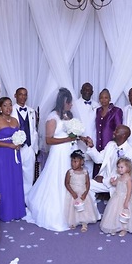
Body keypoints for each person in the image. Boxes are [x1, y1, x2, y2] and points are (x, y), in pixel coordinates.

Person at [25, 88, 79, 232]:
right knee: (57, 179)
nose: (71, 105)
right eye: (69, 103)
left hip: (69, 151)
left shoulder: (67, 115)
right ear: (63, 102)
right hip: (58, 153)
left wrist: (78, 137)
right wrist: (69, 138)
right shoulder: (52, 117)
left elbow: (72, 132)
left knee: (71, 179)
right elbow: (49, 140)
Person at [84, 125, 132, 217]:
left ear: (123, 135)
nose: (113, 132)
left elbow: (124, 177)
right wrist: (91, 146)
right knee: (87, 186)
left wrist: (104, 180)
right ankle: (94, 214)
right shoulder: (110, 144)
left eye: (116, 131)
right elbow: (98, 159)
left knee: (116, 215)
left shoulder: (131, 153)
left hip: (119, 185)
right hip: (104, 179)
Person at [0, 97, 26, 221]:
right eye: (5, 105)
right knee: (3, 181)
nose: (8, 108)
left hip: (14, 155)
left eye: (10, 105)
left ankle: (16, 210)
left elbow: (18, 136)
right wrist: (8, 145)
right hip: (1, 155)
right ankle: (4, 212)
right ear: (0, 108)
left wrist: (18, 143)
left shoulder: (15, 121)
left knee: (14, 180)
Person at [100, 158, 132, 237]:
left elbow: (129, 192)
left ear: (128, 168)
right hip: (117, 197)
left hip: (125, 198)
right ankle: (114, 227)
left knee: (124, 214)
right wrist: (112, 181)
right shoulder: (119, 177)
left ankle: (124, 229)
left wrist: (126, 202)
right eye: (118, 167)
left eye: (122, 167)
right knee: (114, 213)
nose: (119, 169)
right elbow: (116, 184)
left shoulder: (129, 179)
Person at [11, 87, 38, 203]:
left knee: (28, 175)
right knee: (15, 176)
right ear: (15, 96)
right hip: (15, 149)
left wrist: (34, 149)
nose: (23, 97)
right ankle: (16, 200)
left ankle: (26, 201)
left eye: (25, 94)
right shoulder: (10, 110)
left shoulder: (32, 111)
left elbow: (34, 130)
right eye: (20, 94)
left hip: (29, 148)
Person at [64, 150, 98, 232]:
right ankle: (73, 221)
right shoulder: (70, 172)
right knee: (73, 208)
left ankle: (84, 222)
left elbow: (87, 183)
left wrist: (85, 193)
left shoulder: (85, 172)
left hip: (83, 192)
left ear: (82, 162)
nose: (73, 163)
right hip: (73, 193)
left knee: (84, 208)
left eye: (75, 161)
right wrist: (72, 193)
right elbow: (67, 183)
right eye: (72, 161)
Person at [94, 88, 123, 176]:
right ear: (99, 99)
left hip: (110, 145)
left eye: (106, 97)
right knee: (98, 167)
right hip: (98, 145)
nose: (103, 100)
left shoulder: (116, 111)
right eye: (101, 98)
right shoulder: (98, 111)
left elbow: (119, 129)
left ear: (110, 99)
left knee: (109, 170)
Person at [73, 82, 99, 176]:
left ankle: (89, 189)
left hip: (92, 141)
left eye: (89, 90)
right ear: (81, 91)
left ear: (92, 92)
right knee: (77, 168)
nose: (87, 92)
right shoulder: (74, 105)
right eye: (85, 90)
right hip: (79, 141)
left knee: (90, 170)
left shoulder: (97, 105)